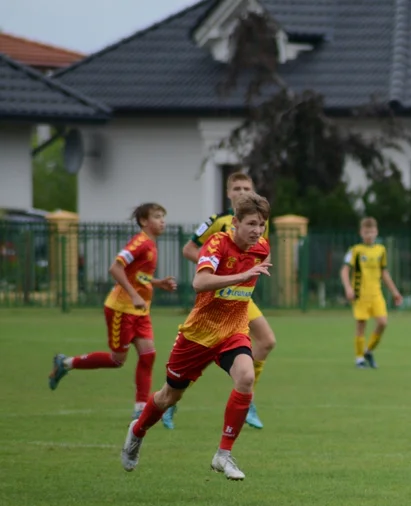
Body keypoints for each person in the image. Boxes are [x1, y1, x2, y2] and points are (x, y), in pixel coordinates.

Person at [121, 192, 272, 480]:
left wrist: (247, 275)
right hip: (198, 334)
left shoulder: (261, 247)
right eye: (252, 223)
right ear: (235, 223)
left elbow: (254, 269)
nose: (257, 231)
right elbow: (199, 282)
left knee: (246, 377)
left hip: (234, 329)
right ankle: (137, 431)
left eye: (262, 225)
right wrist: (241, 276)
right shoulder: (217, 243)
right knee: (169, 396)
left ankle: (223, 455)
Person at [161, 171, 274, 430]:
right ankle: (173, 397)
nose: (242, 192)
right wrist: (215, 265)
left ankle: (247, 395)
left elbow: (261, 256)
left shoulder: (257, 224)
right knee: (203, 350)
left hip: (240, 295)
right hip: (217, 294)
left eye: (247, 187)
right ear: (228, 193)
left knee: (267, 341)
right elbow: (189, 249)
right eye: (237, 188)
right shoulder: (216, 222)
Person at [48, 203, 177, 417]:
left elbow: (137, 275)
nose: (162, 220)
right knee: (117, 360)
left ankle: (140, 409)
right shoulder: (139, 243)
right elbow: (115, 268)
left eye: (164, 216)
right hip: (121, 309)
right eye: (157, 216)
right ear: (144, 221)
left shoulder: (151, 244)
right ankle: (65, 363)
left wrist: (158, 282)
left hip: (140, 311)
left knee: (148, 355)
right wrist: (134, 295)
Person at [339, 217, 403, 368]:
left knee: (383, 322)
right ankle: (359, 358)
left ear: (377, 232)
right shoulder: (355, 251)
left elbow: (384, 273)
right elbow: (344, 270)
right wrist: (348, 288)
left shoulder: (381, 250)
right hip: (360, 295)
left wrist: (395, 292)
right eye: (366, 232)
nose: (369, 235)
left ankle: (369, 350)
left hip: (376, 294)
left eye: (372, 232)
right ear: (361, 233)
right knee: (361, 325)